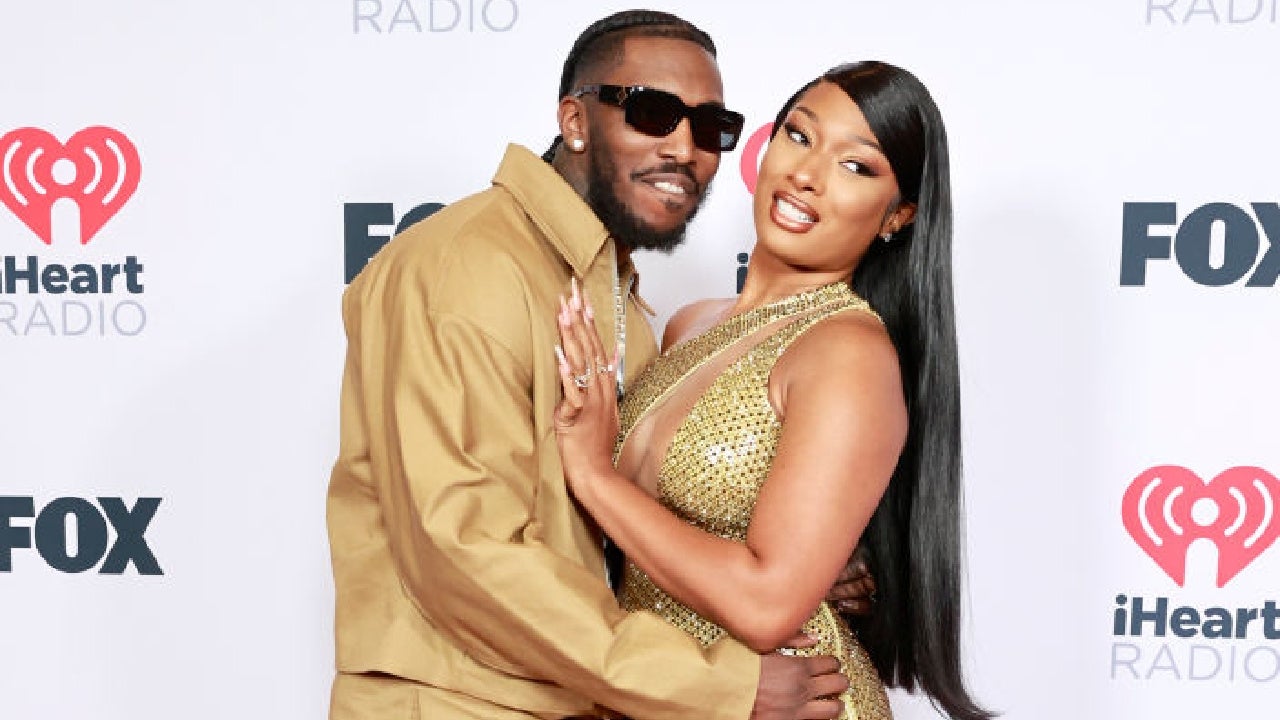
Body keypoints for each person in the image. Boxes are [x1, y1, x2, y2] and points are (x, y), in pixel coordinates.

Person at [326, 10, 865, 720]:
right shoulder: (464, 267)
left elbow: (612, 522)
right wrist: (713, 685)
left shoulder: (610, 292)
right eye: (651, 113)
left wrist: (787, 561)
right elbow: (464, 554)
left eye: (711, 128)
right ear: (575, 121)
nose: (685, 149)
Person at [551, 62, 993, 720]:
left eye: (856, 166)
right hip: (684, 694)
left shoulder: (847, 351)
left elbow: (764, 606)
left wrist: (592, 474)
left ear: (897, 215)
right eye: (799, 135)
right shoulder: (689, 324)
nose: (807, 175)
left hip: (793, 700)